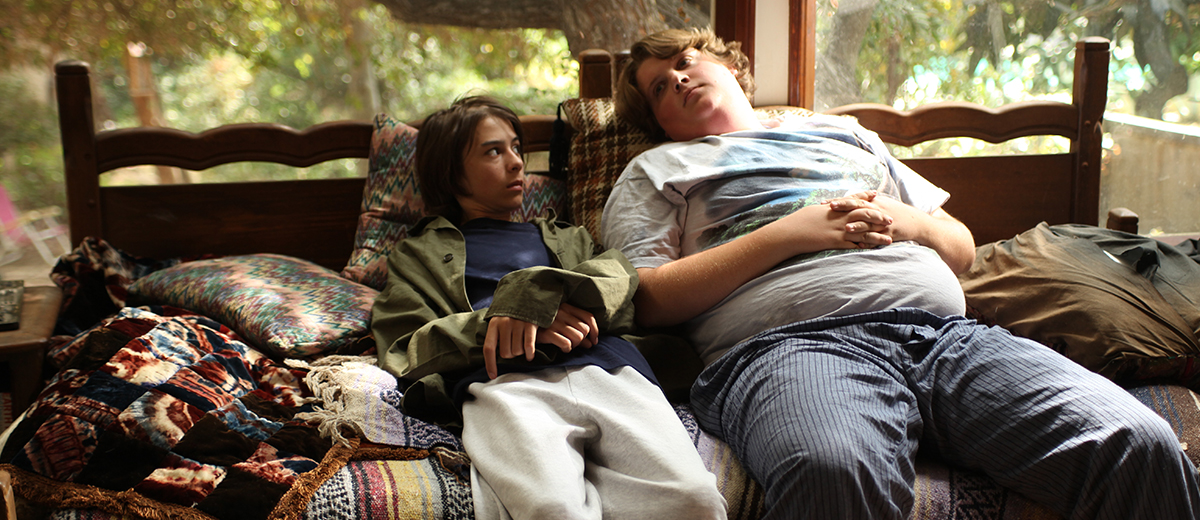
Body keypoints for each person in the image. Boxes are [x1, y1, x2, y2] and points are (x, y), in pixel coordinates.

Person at [601, 28, 1200, 520]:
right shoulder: (655, 168)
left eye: (685, 62)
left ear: (732, 67)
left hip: (944, 339)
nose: (678, 79)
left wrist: (909, 220)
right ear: (659, 122)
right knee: (833, 473)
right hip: (788, 349)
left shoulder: (844, 134)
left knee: (1136, 443)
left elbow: (961, 249)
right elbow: (647, 299)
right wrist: (793, 232)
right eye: (660, 88)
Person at [371, 95, 726, 520]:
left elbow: (623, 284)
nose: (516, 163)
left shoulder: (567, 236)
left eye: (515, 147)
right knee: (552, 509)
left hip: (608, 369)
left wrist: (539, 293)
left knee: (696, 501)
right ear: (450, 173)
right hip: (504, 382)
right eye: (493, 152)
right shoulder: (418, 254)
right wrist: (500, 323)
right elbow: (404, 347)